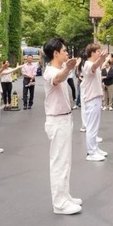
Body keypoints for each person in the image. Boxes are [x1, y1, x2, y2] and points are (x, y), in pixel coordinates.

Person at [42, 37, 82, 214]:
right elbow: (58, 78)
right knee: (59, 162)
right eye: (64, 51)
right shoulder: (50, 71)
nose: (67, 53)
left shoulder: (58, 69)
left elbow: (63, 75)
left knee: (65, 161)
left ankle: (65, 195)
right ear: (56, 53)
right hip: (57, 120)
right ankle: (59, 203)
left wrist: (68, 67)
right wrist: (68, 68)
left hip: (64, 118)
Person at [82, 43, 110, 162]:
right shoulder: (88, 64)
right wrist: (102, 58)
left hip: (96, 97)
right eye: (98, 51)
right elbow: (94, 66)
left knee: (95, 126)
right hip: (92, 98)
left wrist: (103, 59)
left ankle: (95, 148)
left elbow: (98, 66)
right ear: (92, 53)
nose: (100, 53)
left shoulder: (94, 64)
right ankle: (91, 152)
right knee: (92, 127)